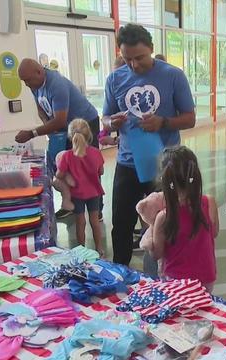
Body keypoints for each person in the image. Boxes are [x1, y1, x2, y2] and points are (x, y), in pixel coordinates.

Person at [102, 23, 196, 266]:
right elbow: (105, 116)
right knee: (121, 223)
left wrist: (163, 122)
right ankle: (120, 272)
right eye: (127, 59)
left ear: (152, 49)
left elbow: (190, 118)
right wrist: (111, 122)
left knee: (167, 221)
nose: (134, 65)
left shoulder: (173, 75)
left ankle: (168, 274)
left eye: (140, 58)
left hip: (165, 165)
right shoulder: (114, 79)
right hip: (127, 163)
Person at [16, 58, 101, 219]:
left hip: (84, 124)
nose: (26, 84)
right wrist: (48, 126)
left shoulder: (57, 85)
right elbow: (40, 109)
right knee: (67, 167)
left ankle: (96, 208)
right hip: (65, 127)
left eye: (27, 80)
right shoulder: (35, 84)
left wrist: (31, 133)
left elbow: (60, 120)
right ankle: (72, 204)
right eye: (23, 81)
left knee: (87, 166)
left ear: (39, 72)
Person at [140, 146, 219, 291]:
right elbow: (213, 233)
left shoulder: (164, 217)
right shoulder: (210, 202)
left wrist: (149, 236)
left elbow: (156, 254)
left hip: (175, 282)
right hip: (206, 279)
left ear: (164, 180)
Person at [55, 119, 105, 257]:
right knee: (95, 221)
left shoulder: (67, 156)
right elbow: (101, 172)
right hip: (94, 192)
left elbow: (59, 175)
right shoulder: (96, 152)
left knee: (80, 221)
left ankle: (81, 249)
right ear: (89, 134)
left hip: (77, 193)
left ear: (71, 136)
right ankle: (100, 249)